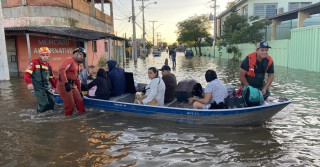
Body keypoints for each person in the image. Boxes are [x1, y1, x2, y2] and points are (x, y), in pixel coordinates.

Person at [24, 46, 56, 112]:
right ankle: (39, 116)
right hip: (38, 87)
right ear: (40, 56)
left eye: (47, 55)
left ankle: (49, 116)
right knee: (44, 104)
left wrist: (54, 87)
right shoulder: (34, 62)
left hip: (47, 87)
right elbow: (27, 74)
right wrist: (29, 83)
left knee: (52, 104)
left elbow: (51, 78)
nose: (45, 57)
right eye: (43, 55)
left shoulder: (49, 66)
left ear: (49, 56)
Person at [56, 47, 86, 116]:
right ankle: (68, 120)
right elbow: (61, 70)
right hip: (64, 85)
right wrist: (66, 83)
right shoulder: (69, 60)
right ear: (75, 54)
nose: (82, 57)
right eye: (80, 54)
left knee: (80, 101)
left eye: (83, 55)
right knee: (70, 104)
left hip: (73, 85)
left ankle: (82, 117)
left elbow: (77, 79)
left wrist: (80, 91)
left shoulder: (78, 65)